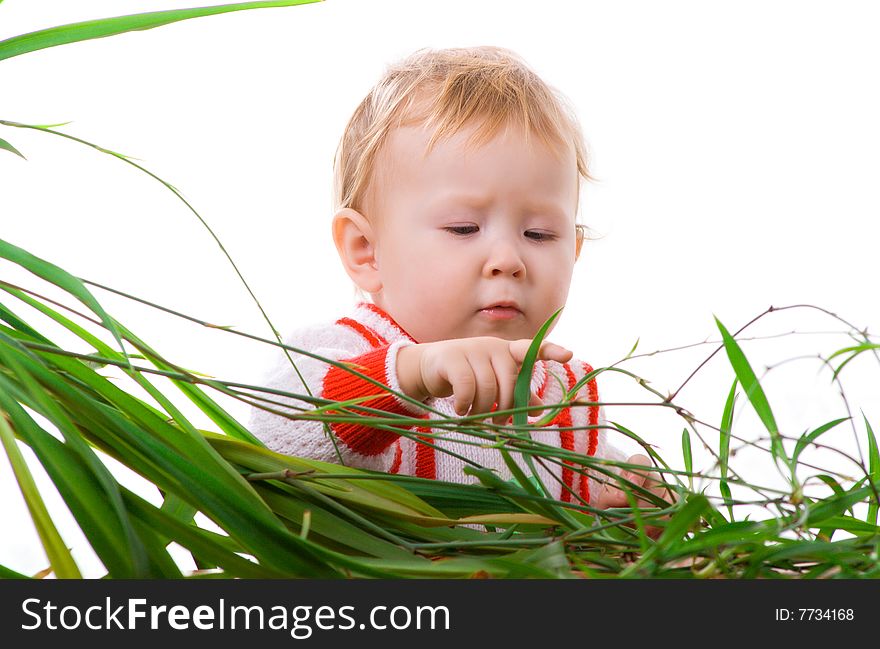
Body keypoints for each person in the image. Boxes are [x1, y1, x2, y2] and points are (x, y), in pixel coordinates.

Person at [249, 46, 666, 514]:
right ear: (366, 250)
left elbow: (590, 535)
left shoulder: (569, 398)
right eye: (464, 229)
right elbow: (279, 437)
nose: (508, 259)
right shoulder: (346, 354)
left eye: (539, 234)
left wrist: (632, 513)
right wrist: (412, 374)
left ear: (573, 251)